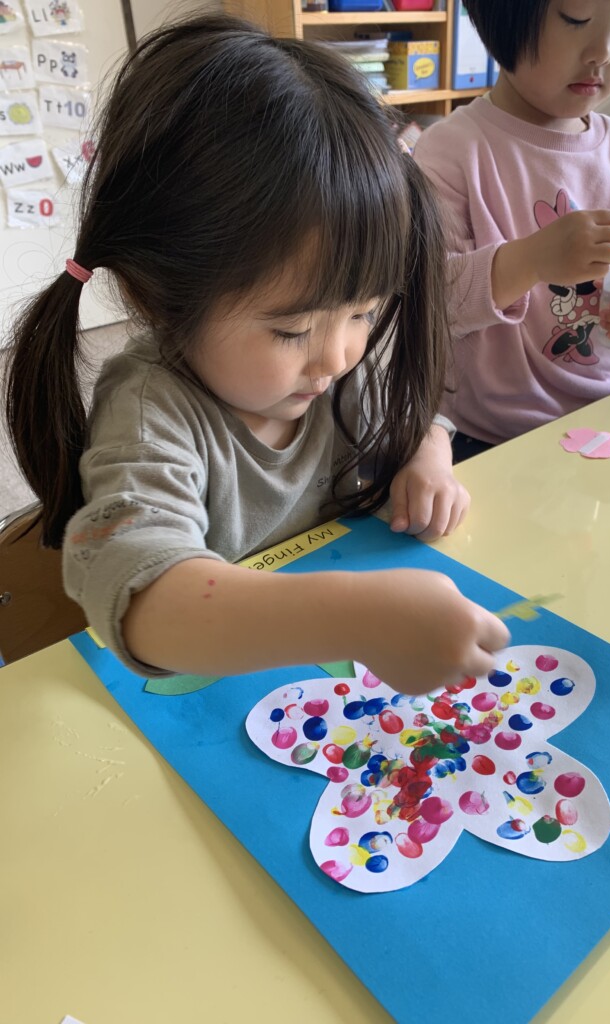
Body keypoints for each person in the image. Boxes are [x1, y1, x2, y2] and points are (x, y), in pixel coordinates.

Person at [3, 14, 509, 693]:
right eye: (291, 330)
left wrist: (427, 457)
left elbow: (412, 420)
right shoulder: (151, 414)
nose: (338, 356)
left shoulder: (335, 374)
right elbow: (147, 599)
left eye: (363, 312)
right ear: (160, 299)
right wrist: (356, 618)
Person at [413, 0, 610, 459]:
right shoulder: (451, 151)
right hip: (489, 430)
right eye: (575, 18)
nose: (603, 52)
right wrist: (529, 261)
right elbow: (425, 301)